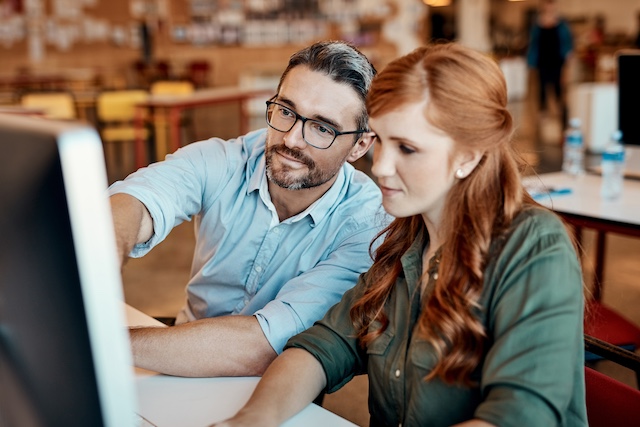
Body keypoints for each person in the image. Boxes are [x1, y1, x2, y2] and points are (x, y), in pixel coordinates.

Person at [215, 43, 587, 427]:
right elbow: (325, 345)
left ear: (468, 157)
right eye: (382, 141)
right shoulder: (406, 237)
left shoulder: (535, 247)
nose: (384, 167)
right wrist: (252, 419)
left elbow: (520, 415)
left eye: (407, 149)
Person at [109, 40, 389, 378]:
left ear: (360, 145)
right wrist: (101, 261)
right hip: (175, 359)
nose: (291, 140)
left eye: (321, 128)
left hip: (279, 387)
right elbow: (135, 202)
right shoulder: (226, 159)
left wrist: (106, 344)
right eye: (286, 111)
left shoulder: (367, 226)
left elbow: (263, 348)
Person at [527, 0, 573, 122]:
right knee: (542, 84)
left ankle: (558, 107)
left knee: (557, 83)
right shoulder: (537, 24)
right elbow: (533, 43)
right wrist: (531, 59)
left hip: (556, 58)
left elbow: (567, 40)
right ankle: (542, 110)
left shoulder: (562, 24)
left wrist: (568, 53)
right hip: (542, 58)